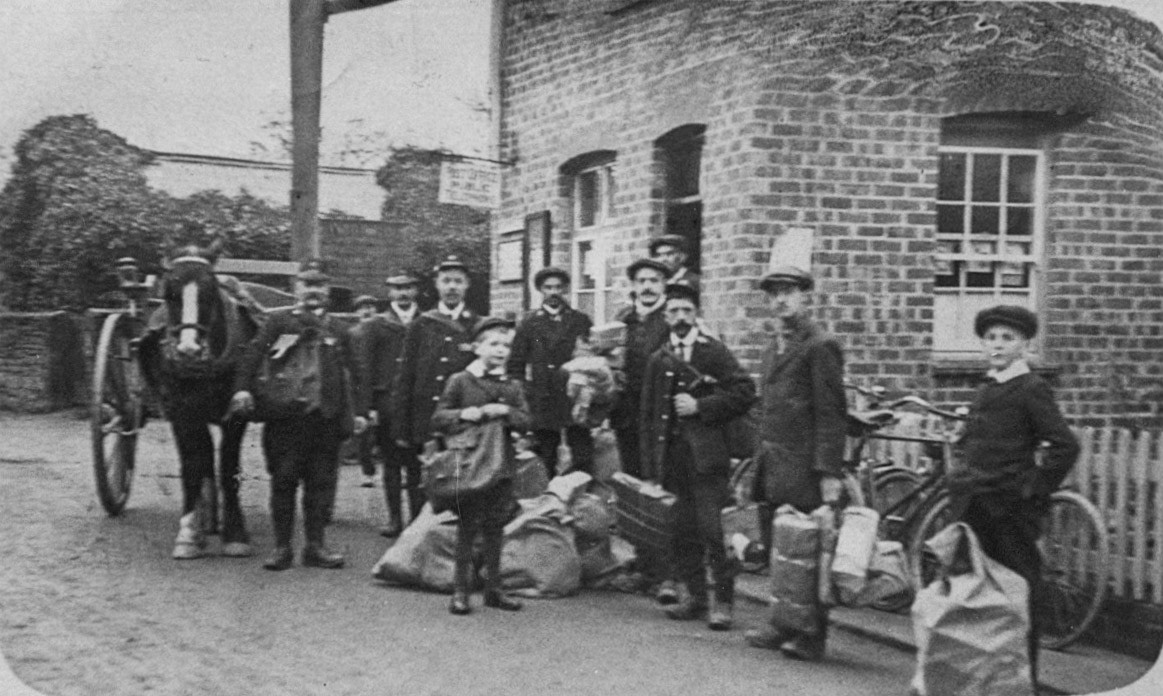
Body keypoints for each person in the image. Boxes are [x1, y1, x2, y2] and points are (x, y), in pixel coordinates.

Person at [947, 305, 1079, 692]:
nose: (997, 346)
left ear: (1025, 343)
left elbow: (1064, 446)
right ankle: (987, 678)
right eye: (991, 338)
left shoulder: (1031, 388)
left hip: (1009, 512)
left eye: (1007, 338)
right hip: (976, 507)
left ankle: (1024, 681)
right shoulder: (989, 386)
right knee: (979, 597)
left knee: (1019, 595)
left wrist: (1032, 489)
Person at [229, 259, 368, 571]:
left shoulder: (340, 330)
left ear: (327, 290)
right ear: (296, 289)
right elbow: (252, 356)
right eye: (307, 284)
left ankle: (316, 546)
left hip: (325, 418)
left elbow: (358, 373)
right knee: (284, 480)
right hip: (285, 418)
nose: (313, 291)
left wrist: (361, 411)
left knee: (320, 483)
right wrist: (242, 389)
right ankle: (281, 548)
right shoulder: (279, 323)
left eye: (319, 285)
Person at [639, 280, 756, 630]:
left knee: (714, 529)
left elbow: (745, 392)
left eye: (687, 310)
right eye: (673, 311)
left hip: (708, 458)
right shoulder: (658, 358)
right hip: (673, 458)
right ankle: (694, 596)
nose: (680, 317)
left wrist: (701, 405)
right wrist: (650, 469)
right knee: (681, 529)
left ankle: (723, 601)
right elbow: (647, 415)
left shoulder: (714, 352)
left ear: (697, 313)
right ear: (664, 315)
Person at [744, 263, 846, 660]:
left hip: (806, 467)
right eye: (774, 293)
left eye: (789, 291)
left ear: (805, 295)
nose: (781, 299)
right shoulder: (774, 347)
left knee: (809, 549)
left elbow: (831, 413)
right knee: (780, 547)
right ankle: (782, 621)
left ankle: (812, 634)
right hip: (774, 462)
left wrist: (829, 473)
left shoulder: (820, 345)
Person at [432, 316, 531, 615]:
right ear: (477, 347)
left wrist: (506, 411)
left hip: (501, 464)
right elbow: (439, 418)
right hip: (470, 463)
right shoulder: (460, 381)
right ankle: (460, 589)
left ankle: (494, 588)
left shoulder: (511, 386)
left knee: (496, 525)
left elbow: (527, 421)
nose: (500, 350)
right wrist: (467, 413)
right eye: (493, 344)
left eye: (505, 345)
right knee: (467, 525)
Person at [391, 257, 479, 510]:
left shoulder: (477, 323)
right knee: (422, 477)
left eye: (458, 281)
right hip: (425, 415)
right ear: (437, 285)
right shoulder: (421, 324)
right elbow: (405, 376)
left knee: (461, 478)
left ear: (467, 285)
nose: (452, 287)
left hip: (462, 417)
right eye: (446, 281)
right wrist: (402, 426)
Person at [610, 257, 675, 601]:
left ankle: (667, 572)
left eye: (655, 280)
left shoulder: (671, 320)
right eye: (642, 281)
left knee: (662, 490)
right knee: (634, 491)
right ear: (633, 286)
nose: (648, 286)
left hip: (661, 419)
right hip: (627, 417)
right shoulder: (624, 320)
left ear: (664, 285)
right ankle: (644, 564)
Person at [508, 266, 594, 478]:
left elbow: (592, 358)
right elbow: (516, 364)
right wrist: (521, 394)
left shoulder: (580, 320)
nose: (553, 292)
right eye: (548, 287)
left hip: (573, 394)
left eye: (558, 287)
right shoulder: (529, 323)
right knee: (545, 455)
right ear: (540, 290)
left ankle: (581, 497)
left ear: (565, 289)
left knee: (582, 452)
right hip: (542, 395)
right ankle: (547, 501)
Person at [350, 284, 414, 538]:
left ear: (416, 291)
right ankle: (395, 519)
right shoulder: (376, 325)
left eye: (407, 288)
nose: (403, 293)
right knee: (392, 463)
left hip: (417, 402)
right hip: (387, 401)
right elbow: (364, 368)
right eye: (398, 289)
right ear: (390, 294)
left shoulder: (425, 321)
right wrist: (367, 407)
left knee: (418, 465)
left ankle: (419, 521)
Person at [349, 294, 382, 488]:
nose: (367, 310)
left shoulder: (382, 330)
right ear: (356, 312)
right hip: (361, 386)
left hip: (381, 385)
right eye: (362, 307)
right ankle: (367, 472)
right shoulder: (352, 333)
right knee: (363, 432)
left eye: (371, 307)